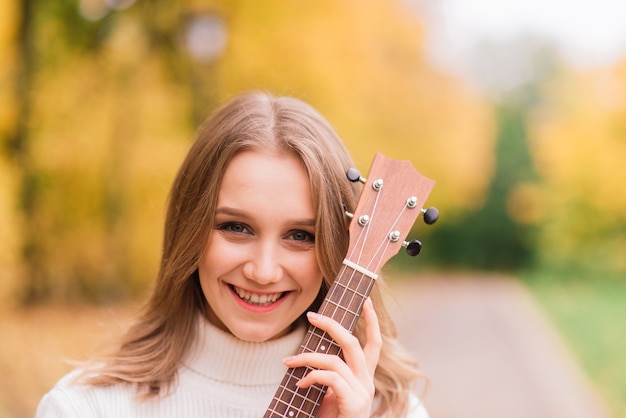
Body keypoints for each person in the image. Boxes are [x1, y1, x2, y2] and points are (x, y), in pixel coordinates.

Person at [36, 91, 429, 418]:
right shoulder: (84, 408)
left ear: (337, 246)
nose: (262, 271)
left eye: (299, 235)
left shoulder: (393, 412)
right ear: (188, 230)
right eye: (235, 227)